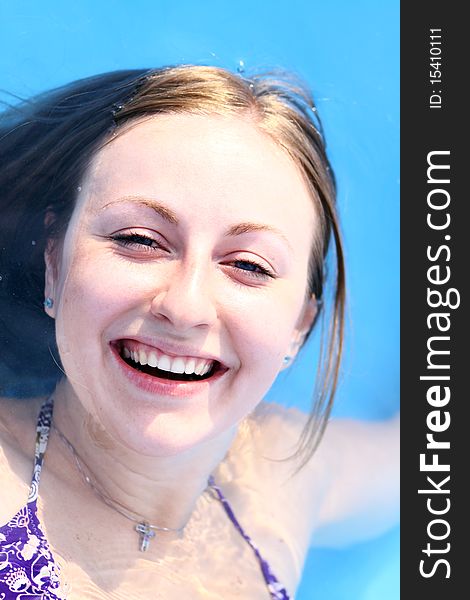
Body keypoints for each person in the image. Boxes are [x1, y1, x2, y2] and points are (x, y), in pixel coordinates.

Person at [0, 65, 399, 599]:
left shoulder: (272, 474)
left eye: (249, 266)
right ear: (55, 259)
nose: (185, 308)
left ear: (299, 328)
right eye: (141, 239)